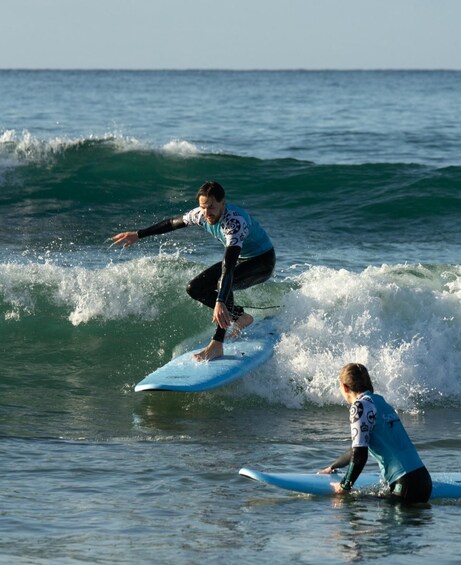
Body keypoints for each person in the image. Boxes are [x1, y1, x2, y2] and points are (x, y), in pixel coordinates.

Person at [111, 181, 275, 361]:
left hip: (262, 261)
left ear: (223, 202)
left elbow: (228, 266)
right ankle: (240, 318)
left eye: (211, 207)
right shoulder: (201, 215)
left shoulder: (234, 222)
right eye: (203, 207)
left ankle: (217, 344)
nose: (207, 212)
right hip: (242, 259)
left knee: (223, 284)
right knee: (194, 288)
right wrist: (138, 234)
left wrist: (220, 300)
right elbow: (171, 223)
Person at [319, 363, 432, 504]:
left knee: (352, 503)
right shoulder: (379, 401)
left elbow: (360, 455)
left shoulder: (360, 406)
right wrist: (333, 466)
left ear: (344, 387)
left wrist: (344, 486)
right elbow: (357, 449)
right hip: (423, 480)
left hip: (404, 485)